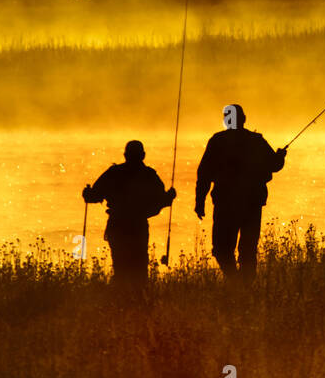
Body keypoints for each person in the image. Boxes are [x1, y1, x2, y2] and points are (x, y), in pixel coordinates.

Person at [195, 104, 286, 280]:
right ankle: (243, 286)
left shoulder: (217, 141)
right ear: (244, 119)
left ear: (225, 121)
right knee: (248, 249)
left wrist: (200, 201)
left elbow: (204, 174)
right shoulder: (256, 140)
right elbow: (274, 165)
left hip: (225, 203)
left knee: (221, 249)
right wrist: (280, 156)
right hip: (252, 203)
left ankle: (236, 283)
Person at [83, 140, 175, 286]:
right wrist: (170, 196)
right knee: (139, 268)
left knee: (120, 266)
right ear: (143, 155)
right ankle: (137, 300)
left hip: (117, 225)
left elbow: (93, 196)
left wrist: (87, 193)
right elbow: (161, 201)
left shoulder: (114, 173)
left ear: (125, 155)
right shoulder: (149, 175)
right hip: (138, 226)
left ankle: (120, 299)